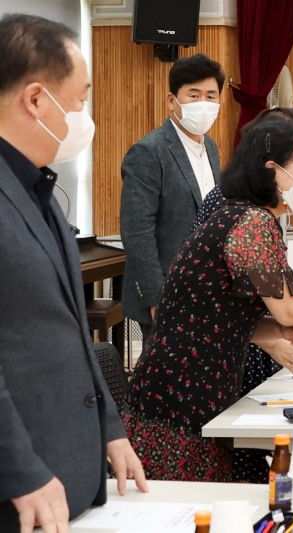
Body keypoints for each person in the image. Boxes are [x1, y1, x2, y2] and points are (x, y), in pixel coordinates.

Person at [123, 117, 293, 482]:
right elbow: (290, 307)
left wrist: (281, 328)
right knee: (188, 502)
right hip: (183, 386)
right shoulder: (250, 222)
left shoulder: (247, 217)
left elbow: (219, 312)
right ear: (273, 170)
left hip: (197, 377)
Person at [0, 13, 147, 532]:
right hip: (21, 485)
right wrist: (18, 472)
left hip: (70, 473)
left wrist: (109, 427)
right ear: (37, 100)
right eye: (80, 99)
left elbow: (70, 331)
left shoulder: (37, 187)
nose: (83, 115)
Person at [190, 107, 293, 484]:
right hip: (200, 373)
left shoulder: (259, 211)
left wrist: (280, 329)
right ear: (272, 165)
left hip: (230, 352)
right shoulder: (237, 211)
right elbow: (222, 300)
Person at [120, 53, 225, 345]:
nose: (203, 103)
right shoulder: (149, 151)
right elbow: (136, 231)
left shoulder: (211, 148)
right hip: (167, 293)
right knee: (169, 385)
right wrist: (158, 298)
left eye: (211, 96)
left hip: (207, 290)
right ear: (172, 101)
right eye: (194, 95)